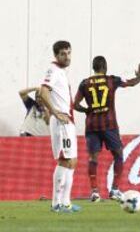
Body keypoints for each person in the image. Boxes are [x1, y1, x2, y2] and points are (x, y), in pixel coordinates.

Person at [74, 56, 140, 202]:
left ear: (94, 68)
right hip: (109, 125)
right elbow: (131, 83)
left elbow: (75, 104)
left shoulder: (85, 83)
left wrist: (87, 111)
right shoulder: (112, 80)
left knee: (93, 157)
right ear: (105, 67)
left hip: (92, 125)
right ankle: (114, 190)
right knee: (118, 154)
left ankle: (94, 192)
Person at [39, 40, 80, 212]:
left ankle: (66, 202)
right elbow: (43, 91)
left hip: (68, 121)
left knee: (72, 161)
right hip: (61, 121)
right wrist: (54, 112)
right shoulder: (53, 71)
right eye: (63, 53)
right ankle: (56, 203)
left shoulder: (61, 72)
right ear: (56, 55)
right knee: (65, 160)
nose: (67, 56)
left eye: (69, 52)